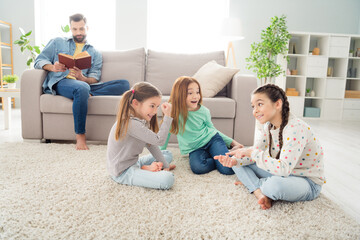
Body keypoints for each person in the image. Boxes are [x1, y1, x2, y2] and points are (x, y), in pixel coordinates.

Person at [215, 84, 326, 210]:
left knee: (273, 186)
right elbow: (255, 153)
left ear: (277, 104)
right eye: (253, 106)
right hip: (282, 174)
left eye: (260, 104)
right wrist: (235, 159)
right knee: (238, 163)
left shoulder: (295, 129)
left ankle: (254, 185)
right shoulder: (268, 126)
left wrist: (251, 153)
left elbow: (283, 168)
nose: (255, 110)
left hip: (306, 181)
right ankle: (259, 192)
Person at [34, 13, 130, 150]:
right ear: (70, 28)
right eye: (75, 29)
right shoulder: (57, 42)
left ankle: (85, 94)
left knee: (124, 84)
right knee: (82, 88)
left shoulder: (94, 52)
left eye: (81, 29)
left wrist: (82, 78)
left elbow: (94, 78)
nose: (78, 32)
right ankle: (80, 136)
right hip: (61, 81)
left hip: (83, 84)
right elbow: (39, 60)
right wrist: (53, 67)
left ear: (87, 28)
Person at [161, 76, 243, 175]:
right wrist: (160, 158)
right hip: (195, 148)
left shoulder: (204, 111)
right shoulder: (173, 111)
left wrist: (233, 142)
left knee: (228, 169)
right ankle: (217, 157)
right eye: (190, 93)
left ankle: (222, 155)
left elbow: (212, 130)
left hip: (212, 140)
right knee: (198, 168)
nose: (195, 96)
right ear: (179, 94)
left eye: (197, 92)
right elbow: (165, 134)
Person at [107, 82, 176, 190]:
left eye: (157, 107)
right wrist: (167, 116)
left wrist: (165, 166)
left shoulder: (141, 120)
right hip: (123, 172)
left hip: (134, 162)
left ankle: (144, 168)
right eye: (152, 106)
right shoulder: (131, 124)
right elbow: (160, 141)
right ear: (135, 103)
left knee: (167, 154)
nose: (155, 111)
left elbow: (151, 144)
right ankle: (145, 169)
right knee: (168, 179)